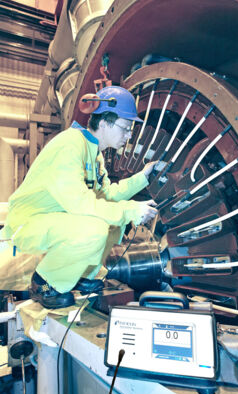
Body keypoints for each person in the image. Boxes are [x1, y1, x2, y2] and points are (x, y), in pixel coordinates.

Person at [2, 86, 158, 309]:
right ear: (104, 123)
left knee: (114, 225)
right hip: (28, 224)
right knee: (94, 228)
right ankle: (44, 284)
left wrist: (142, 177)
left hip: (55, 220)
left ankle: (85, 274)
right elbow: (80, 203)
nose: (129, 135)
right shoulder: (69, 145)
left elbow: (107, 195)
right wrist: (130, 211)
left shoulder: (95, 155)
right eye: (126, 128)